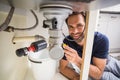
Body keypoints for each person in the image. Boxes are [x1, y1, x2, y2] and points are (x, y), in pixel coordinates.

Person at [59, 12, 120, 80]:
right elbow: (62, 68)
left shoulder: (101, 39)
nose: (75, 31)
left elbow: (98, 74)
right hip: (93, 70)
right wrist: (76, 77)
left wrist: (77, 60)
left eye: (79, 25)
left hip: (107, 63)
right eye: (71, 26)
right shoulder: (67, 42)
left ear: (87, 25)